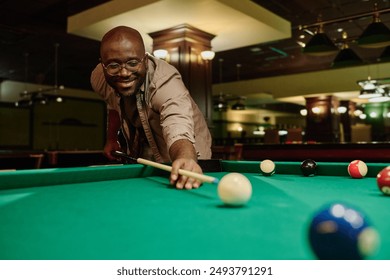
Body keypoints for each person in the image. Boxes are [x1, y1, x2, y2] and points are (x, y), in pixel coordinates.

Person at [90, 26, 212, 190]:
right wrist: (111, 139)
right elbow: (112, 104)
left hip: (189, 148)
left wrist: (186, 157)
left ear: (146, 60)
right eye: (113, 65)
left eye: (133, 63)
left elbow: (177, 124)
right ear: (102, 64)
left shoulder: (165, 82)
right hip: (144, 143)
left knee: (183, 185)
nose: (124, 73)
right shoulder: (99, 78)